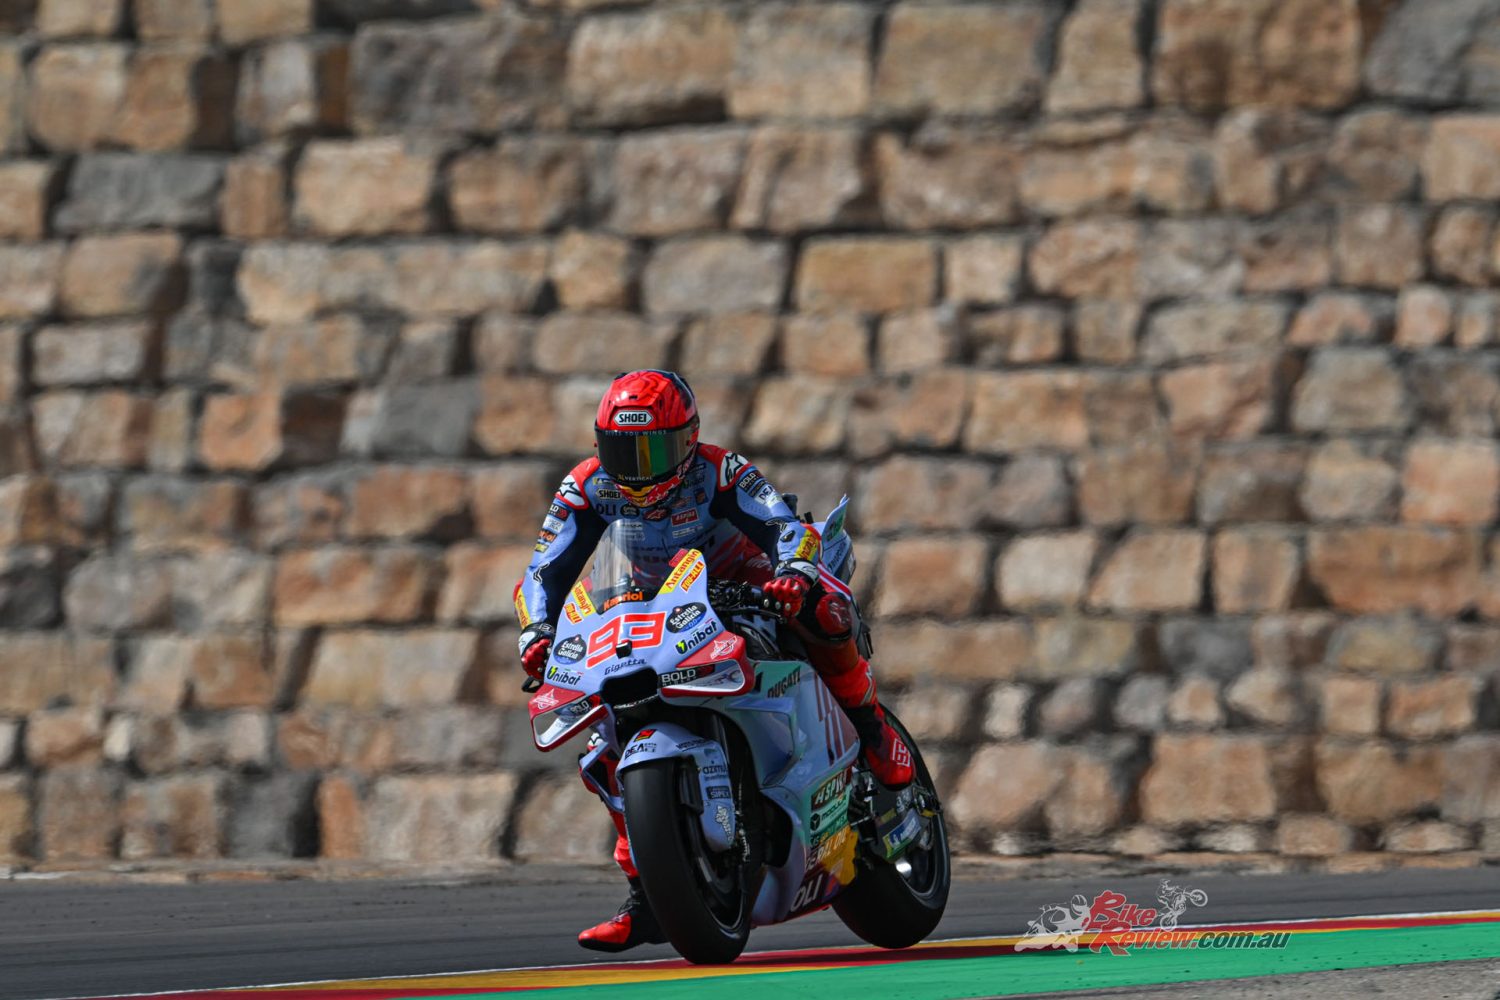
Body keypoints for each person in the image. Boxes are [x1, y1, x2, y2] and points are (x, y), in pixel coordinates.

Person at [513, 369, 914, 953]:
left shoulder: (719, 470)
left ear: (688, 438)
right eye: (624, 451)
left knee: (823, 608)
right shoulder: (585, 485)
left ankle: (872, 729)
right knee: (603, 731)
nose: (640, 468)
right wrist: (537, 630)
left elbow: (782, 525)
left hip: (743, 581)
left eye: (654, 451)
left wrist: (793, 573)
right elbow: (543, 570)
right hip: (649, 605)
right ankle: (647, 894)